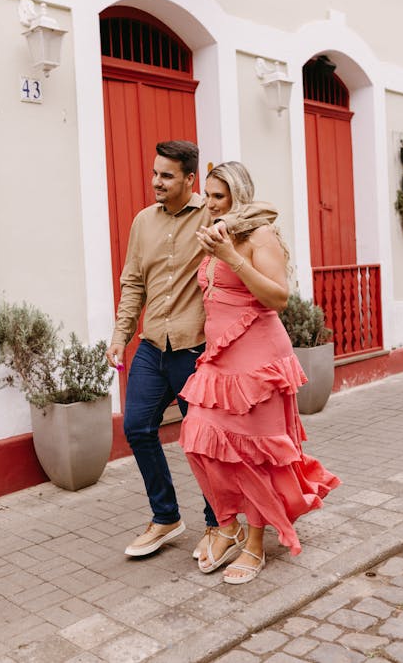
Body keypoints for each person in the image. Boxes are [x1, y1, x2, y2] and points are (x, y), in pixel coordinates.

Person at [106, 142, 277, 558]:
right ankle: (165, 517)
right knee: (137, 427)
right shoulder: (142, 222)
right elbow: (133, 283)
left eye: (166, 175)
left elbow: (260, 213)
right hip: (152, 343)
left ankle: (218, 524)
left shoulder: (213, 212)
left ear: (189, 179)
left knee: (203, 442)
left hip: (196, 349)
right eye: (154, 173)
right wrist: (119, 334)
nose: (155, 182)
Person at [178, 161, 341, 584]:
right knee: (200, 439)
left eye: (219, 197)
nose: (210, 204)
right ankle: (227, 526)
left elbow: (278, 297)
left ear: (239, 195)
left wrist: (231, 255)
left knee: (254, 454)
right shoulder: (217, 233)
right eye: (208, 196)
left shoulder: (258, 235)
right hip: (221, 358)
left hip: (260, 362)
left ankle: (255, 544)